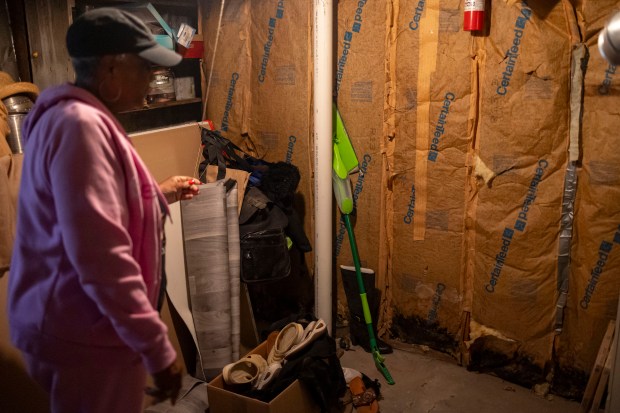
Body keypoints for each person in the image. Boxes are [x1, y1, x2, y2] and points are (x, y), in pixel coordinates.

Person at [8, 8, 200, 412]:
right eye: (145, 67)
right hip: (88, 333)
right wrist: (157, 349)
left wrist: (159, 194)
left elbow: (89, 215)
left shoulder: (75, 119)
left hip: (77, 325)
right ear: (112, 69)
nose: (152, 78)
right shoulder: (80, 126)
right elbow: (101, 257)